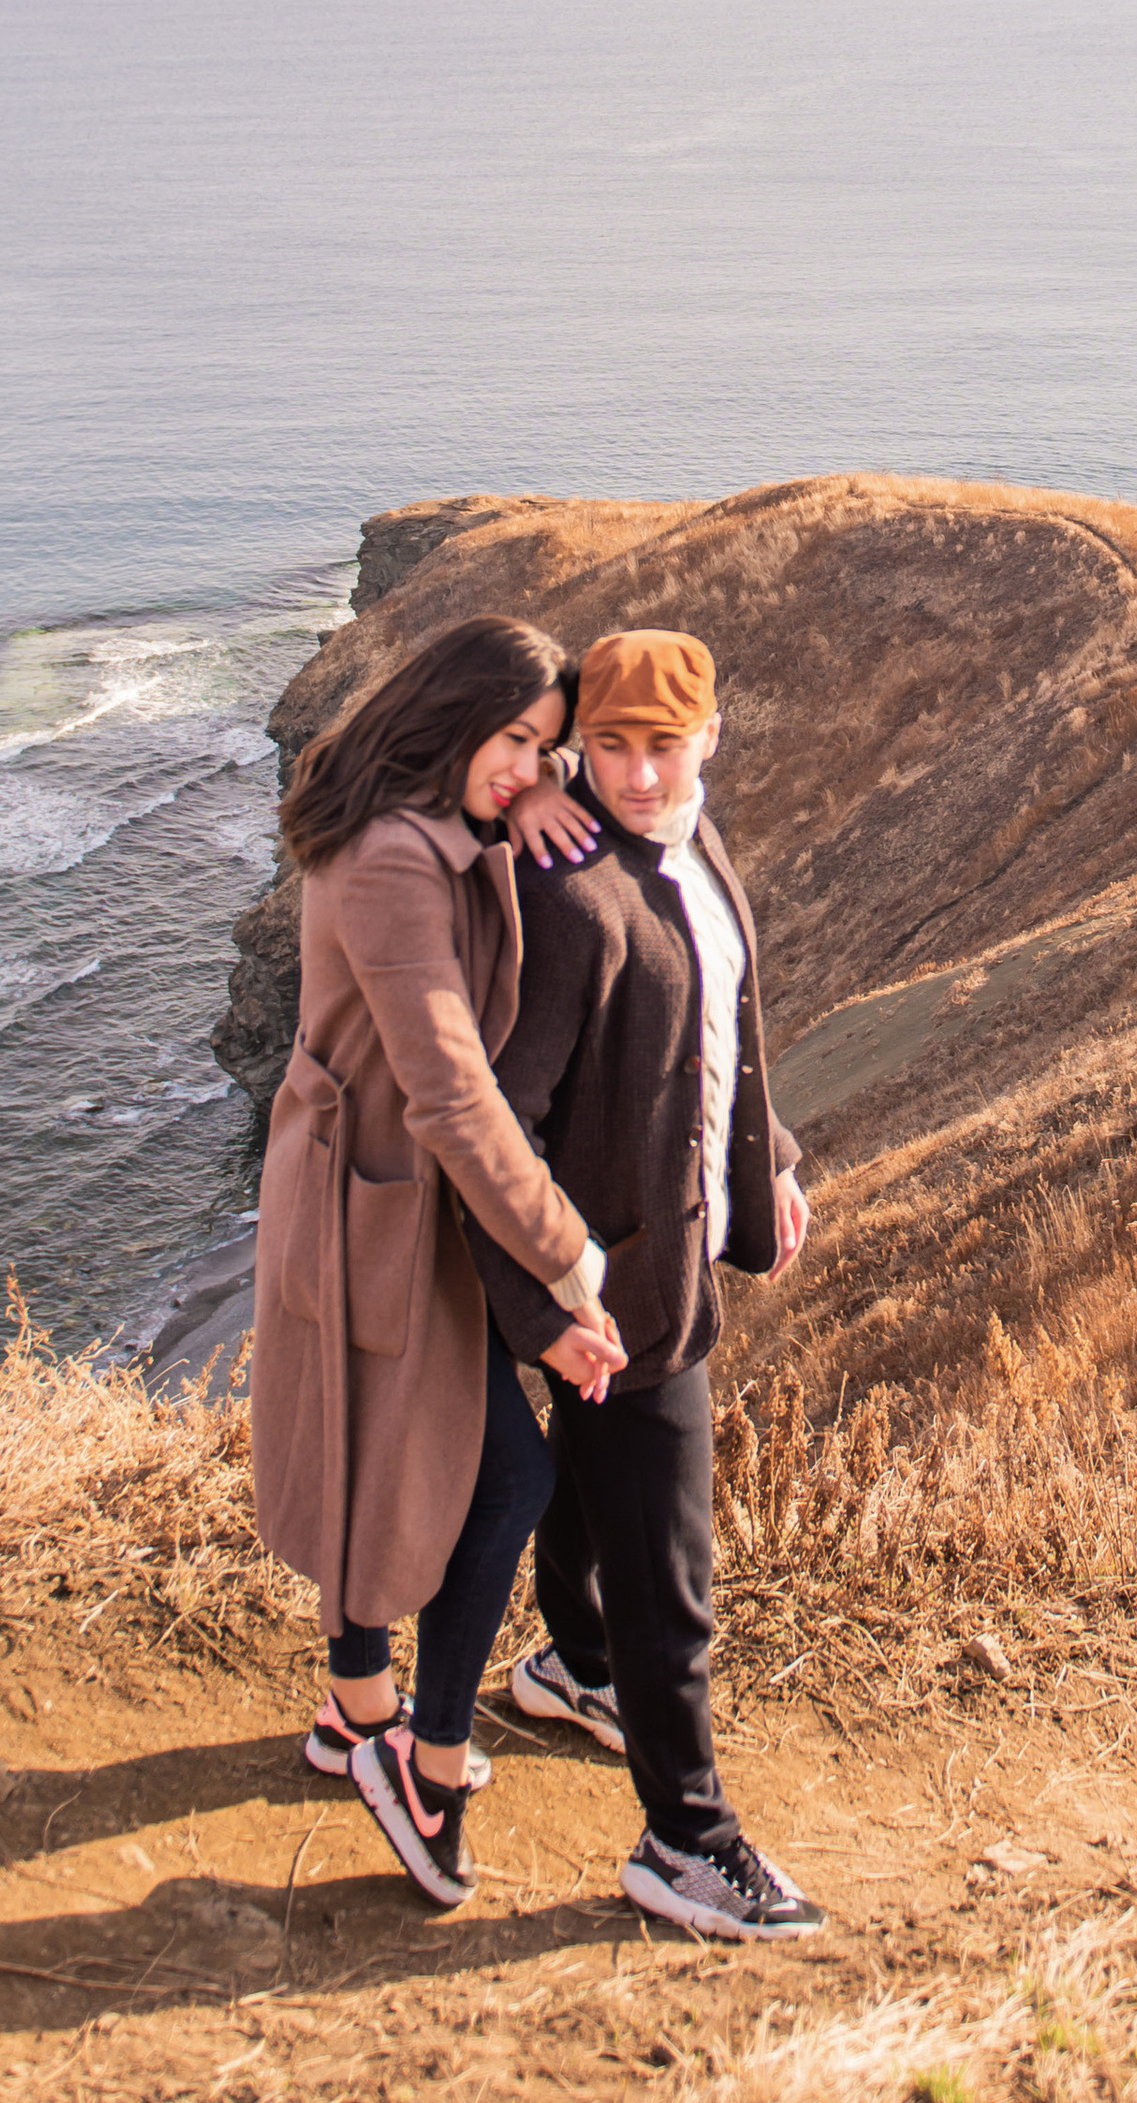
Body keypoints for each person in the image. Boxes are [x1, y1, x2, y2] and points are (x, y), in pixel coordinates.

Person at [248, 613, 627, 1909]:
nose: (534, 764)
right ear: (455, 716)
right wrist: (568, 1253)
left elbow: (530, 780)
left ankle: (358, 1705)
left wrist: (527, 791)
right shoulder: (393, 863)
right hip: (380, 1202)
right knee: (502, 1475)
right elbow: (455, 1093)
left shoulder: (425, 818)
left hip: (388, 1200)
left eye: (545, 744)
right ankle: (417, 1748)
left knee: (377, 1440)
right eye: (515, 739)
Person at [466, 625, 824, 1942]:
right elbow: (500, 1119)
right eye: (604, 745)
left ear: (709, 738)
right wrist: (546, 1307)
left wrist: (769, 1159)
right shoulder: (569, 887)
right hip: (616, 1294)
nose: (631, 770)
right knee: (674, 1568)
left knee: (595, 1488)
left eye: (658, 744)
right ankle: (687, 1840)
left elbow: (725, 1020)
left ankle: (575, 1661)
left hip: (676, 1252)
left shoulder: (697, 841)